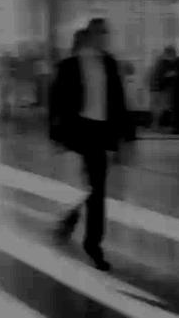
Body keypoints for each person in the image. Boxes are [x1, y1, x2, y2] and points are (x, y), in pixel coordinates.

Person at [50, 19, 133, 271]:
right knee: (83, 186)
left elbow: (119, 101)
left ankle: (93, 244)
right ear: (90, 35)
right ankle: (71, 217)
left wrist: (126, 137)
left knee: (96, 190)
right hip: (78, 130)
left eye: (106, 32)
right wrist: (55, 134)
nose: (104, 37)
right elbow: (57, 101)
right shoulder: (69, 65)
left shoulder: (109, 63)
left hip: (99, 133)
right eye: (100, 32)